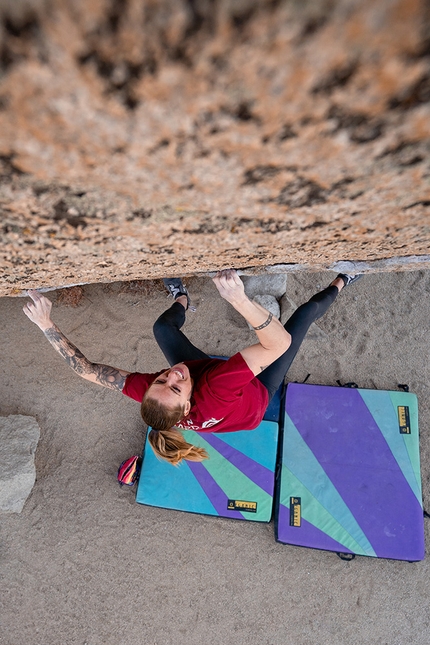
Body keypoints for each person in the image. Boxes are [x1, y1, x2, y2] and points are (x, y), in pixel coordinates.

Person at [23, 269, 362, 465]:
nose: (171, 374)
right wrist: (240, 301)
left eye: (160, 379)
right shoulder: (217, 388)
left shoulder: (158, 399)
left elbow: (86, 370)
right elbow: (278, 344)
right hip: (255, 398)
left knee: (162, 329)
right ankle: (345, 279)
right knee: (301, 316)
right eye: (174, 385)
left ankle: (181, 298)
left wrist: (44, 323)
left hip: (207, 384)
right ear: (187, 404)